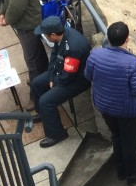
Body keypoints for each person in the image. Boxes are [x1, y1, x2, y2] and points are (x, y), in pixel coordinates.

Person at [85, 21, 136, 185]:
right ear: (127, 39)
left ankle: (121, 170)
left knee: (117, 137)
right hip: (127, 111)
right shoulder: (132, 64)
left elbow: (88, 76)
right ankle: (133, 176)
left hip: (105, 106)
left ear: (108, 38)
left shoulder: (95, 55)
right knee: (130, 142)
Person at [28, 16, 91, 149]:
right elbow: (54, 57)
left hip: (77, 80)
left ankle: (57, 134)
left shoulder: (74, 47)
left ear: (53, 35)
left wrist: (55, 82)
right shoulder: (60, 37)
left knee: (46, 101)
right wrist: (51, 78)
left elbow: (69, 75)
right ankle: (43, 114)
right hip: (61, 73)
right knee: (36, 83)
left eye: (45, 34)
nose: (44, 36)